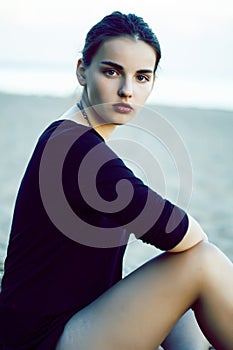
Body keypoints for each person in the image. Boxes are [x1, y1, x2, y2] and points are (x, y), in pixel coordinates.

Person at [0, 11, 232, 350]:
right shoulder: (75, 149)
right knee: (201, 260)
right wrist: (192, 240)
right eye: (112, 72)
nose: (126, 91)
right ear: (82, 71)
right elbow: (179, 232)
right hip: (42, 340)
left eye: (142, 77)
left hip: (70, 320)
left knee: (180, 269)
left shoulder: (70, 138)